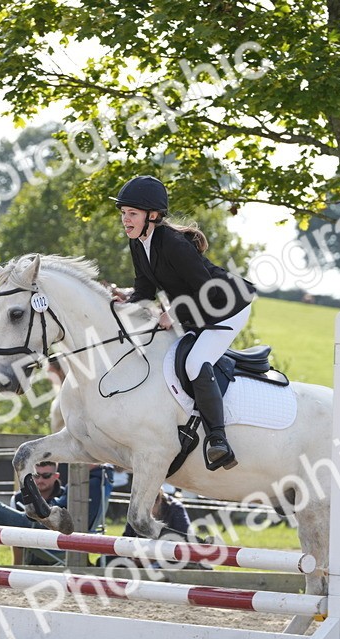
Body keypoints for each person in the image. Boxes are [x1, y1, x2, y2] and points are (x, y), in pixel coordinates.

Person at [109, 175, 255, 470]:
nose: (126, 220)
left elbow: (206, 291)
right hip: (197, 307)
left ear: (153, 215)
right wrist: (124, 299)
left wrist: (172, 314)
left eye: (132, 214)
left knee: (194, 363)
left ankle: (218, 440)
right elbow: (145, 291)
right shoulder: (138, 242)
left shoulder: (174, 244)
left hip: (227, 306)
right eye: (124, 214)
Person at [122, 488, 192, 539]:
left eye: (146, 508)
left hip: (168, 553)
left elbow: (184, 537)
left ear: (158, 501)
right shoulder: (137, 509)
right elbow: (127, 537)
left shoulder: (175, 508)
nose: (142, 512)